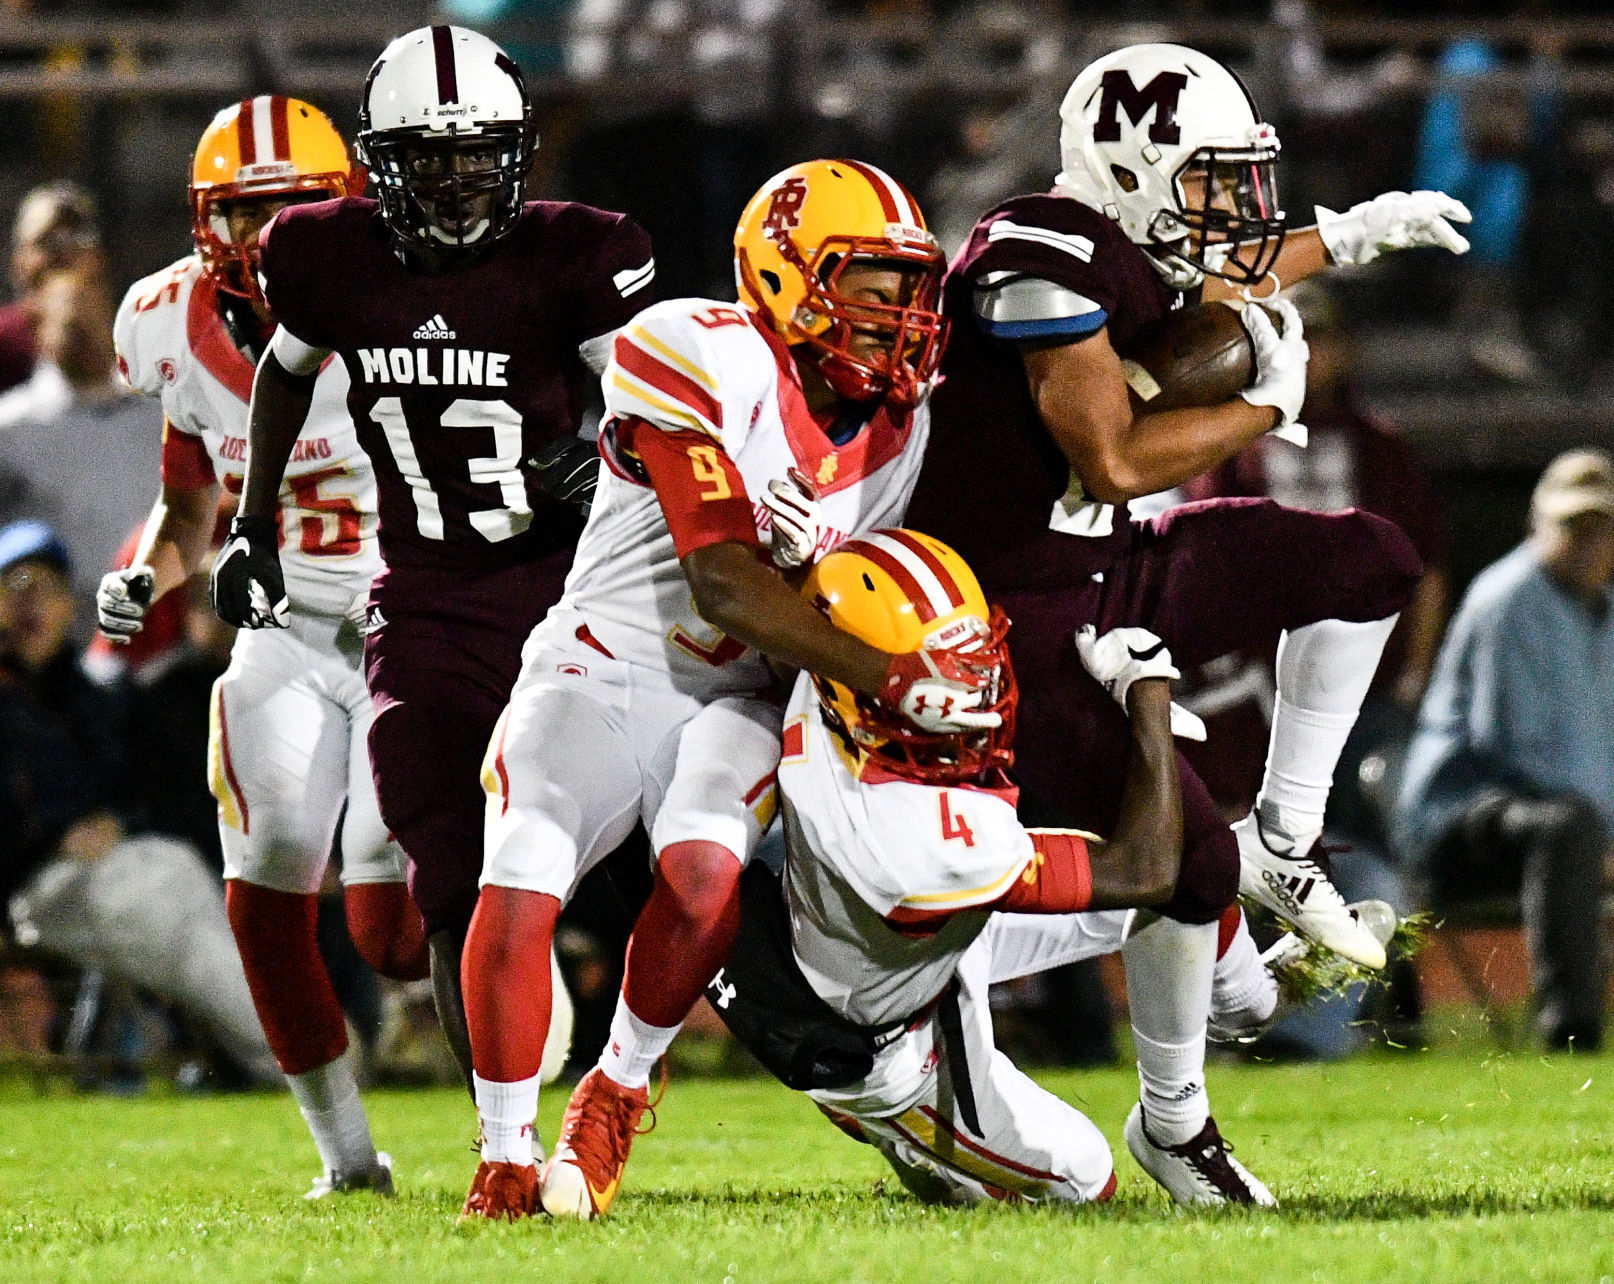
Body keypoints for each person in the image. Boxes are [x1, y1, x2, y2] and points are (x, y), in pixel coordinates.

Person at [902, 41, 1465, 1187]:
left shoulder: (1125, 242)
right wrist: (1264, 409)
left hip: (1104, 564)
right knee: (1186, 863)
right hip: (1003, 613)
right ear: (1127, 171)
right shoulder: (1038, 253)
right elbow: (1110, 459)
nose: (1232, 209)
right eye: (1208, 180)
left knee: (1369, 560)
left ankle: (1287, 840)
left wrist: (1348, 237)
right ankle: (1173, 1122)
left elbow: (1229, 271)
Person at [460, 160, 999, 1221]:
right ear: (790, 278)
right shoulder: (703, 349)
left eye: (911, 292)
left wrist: (826, 591)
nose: (900, 318)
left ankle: (615, 1092)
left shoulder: (901, 429)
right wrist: (890, 675)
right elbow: (721, 579)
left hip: (742, 691)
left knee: (706, 873)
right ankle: (504, 1154)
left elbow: (825, 613)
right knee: (524, 866)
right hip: (608, 660)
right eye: (874, 288)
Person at [209, 27, 651, 1087]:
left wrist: (607, 462)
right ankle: (507, 1132)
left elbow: (653, 404)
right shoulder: (328, 257)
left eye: (476, 155)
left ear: (516, 154)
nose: (455, 182)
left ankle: (654, 1069)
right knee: (450, 881)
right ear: (381, 164)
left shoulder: (575, 253)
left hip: (574, 588)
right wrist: (252, 523)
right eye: (429, 158)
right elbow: (285, 370)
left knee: (669, 846)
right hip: (429, 600)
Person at [709, 532, 1277, 1207]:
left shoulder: (821, 685)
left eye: (967, 663)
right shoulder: (912, 840)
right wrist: (1146, 698)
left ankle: (1202, 1076)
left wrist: (797, 562)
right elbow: (1145, 869)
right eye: (931, 679)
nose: (966, 695)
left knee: (1185, 894)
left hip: (919, 940)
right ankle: (889, 1121)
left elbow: (793, 642)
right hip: (893, 1032)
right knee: (1085, 1179)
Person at [98, 97, 443, 1196]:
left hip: (406, 631)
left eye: (292, 208)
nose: (266, 235)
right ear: (206, 222)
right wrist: (146, 577)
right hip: (282, 634)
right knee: (262, 899)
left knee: (392, 938)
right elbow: (187, 509)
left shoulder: (409, 297)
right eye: (245, 212)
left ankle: (516, 976)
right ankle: (348, 1161)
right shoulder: (166, 320)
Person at [0, 520, 277, 1085]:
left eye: (46, 588)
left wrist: (117, 823)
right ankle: (295, 1050)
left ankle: (284, 1050)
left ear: (68, 603)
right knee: (171, 907)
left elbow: (153, 793)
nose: (31, 605)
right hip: (35, 892)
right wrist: (54, 839)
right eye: (15, 588)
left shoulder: (100, 692)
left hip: (124, 869)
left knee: (181, 875)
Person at [1397, 449, 1614, 1052]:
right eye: (1572, 526)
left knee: (1573, 826)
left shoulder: (1604, 610)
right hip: (1460, 821)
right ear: (1536, 524)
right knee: (1568, 828)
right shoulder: (1509, 598)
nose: (1587, 543)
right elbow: (1514, 750)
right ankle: (1572, 1031)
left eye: (1600, 527)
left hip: (1555, 818)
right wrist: (1606, 841)